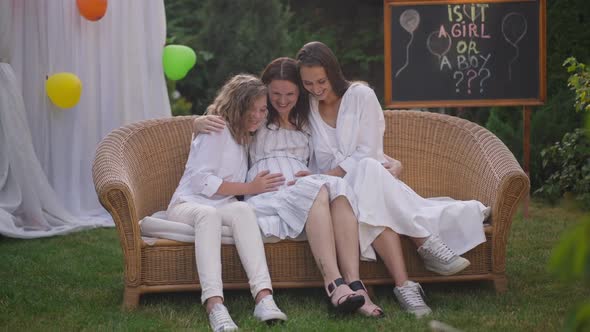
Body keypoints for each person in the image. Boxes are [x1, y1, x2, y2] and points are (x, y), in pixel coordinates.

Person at [295, 41, 490, 317]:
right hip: (337, 192)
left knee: (370, 178)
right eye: (308, 83)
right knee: (371, 175)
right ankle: (422, 244)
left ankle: (404, 284)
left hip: (369, 184)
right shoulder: (306, 109)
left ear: (333, 72)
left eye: (321, 81)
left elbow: (370, 152)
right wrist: (209, 120)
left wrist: (378, 166)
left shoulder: (361, 95)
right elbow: (268, 99)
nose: (315, 89)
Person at [194, 58, 384, 317]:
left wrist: (387, 162)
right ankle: (334, 285)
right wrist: (196, 123)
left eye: (290, 94)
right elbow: (222, 117)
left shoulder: (309, 116)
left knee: (338, 189)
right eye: (276, 94)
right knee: (317, 190)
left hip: (303, 183)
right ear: (265, 92)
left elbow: (347, 145)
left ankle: (355, 285)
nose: (282, 101)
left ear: (300, 92)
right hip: (268, 190)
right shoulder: (257, 114)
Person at [167, 74, 287, 332]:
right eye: (251, 109)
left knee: (243, 209)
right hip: (188, 203)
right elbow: (202, 182)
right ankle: (214, 305)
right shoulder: (217, 129)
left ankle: (264, 297)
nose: (257, 115)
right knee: (208, 215)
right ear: (237, 107)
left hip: (224, 204)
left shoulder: (244, 134)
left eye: (262, 109)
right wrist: (250, 188)